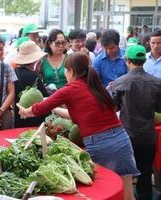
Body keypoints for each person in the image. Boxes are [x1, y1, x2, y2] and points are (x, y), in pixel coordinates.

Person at [17, 52, 139, 200]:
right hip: (121, 140)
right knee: (127, 195)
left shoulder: (70, 89)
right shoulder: (95, 86)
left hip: (101, 145)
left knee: (103, 193)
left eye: (65, 69)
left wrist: (25, 111)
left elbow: (39, 108)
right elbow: (80, 116)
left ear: (71, 71)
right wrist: (55, 108)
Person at [111, 45, 161, 200]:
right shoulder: (157, 83)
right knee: (146, 171)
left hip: (126, 136)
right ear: (144, 60)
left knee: (124, 174)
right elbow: (159, 108)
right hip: (148, 135)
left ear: (127, 61)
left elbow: (115, 107)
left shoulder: (119, 82)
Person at [12, 41, 48, 128]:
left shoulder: (14, 73)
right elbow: (44, 97)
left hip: (18, 118)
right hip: (34, 118)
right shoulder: (33, 76)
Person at [41, 29, 68, 93]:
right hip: (48, 96)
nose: (61, 46)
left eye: (63, 43)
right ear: (50, 43)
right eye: (57, 43)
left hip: (67, 95)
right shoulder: (42, 59)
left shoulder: (69, 58)